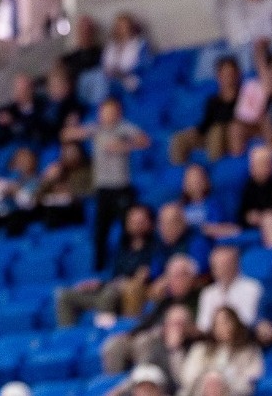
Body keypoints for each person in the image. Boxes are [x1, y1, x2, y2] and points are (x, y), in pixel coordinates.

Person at [63, 96, 149, 272]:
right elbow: (67, 135)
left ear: (117, 113)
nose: (107, 115)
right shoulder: (95, 129)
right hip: (103, 189)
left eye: (111, 111)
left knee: (128, 230)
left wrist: (125, 145)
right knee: (100, 232)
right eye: (104, 111)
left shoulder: (124, 127)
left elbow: (144, 140)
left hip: (121, 188)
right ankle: (99, 269)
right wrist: (72, 125)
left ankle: (130, 265)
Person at [54, 203, 159, 327]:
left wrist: (127, 282)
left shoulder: (156, 248)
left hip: (122, 293)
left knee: (109, 294)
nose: (135, 224)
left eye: (140, 221)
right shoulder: (121, 247)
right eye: (132, 220)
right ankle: (68, 337)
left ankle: (101, 336)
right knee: (63, 294)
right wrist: (99, 283)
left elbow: (149, 274)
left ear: (150, 223)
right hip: (109, 286)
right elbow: (112, 274)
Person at [102, 257, 205, 373]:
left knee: (144, 341)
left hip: (172, 343)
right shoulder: (165, 301)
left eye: (177, 276)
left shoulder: (200, 299)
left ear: (190, 277)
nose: (172, 280)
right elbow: (148, 321)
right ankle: (111, 383)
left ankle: (142, 382)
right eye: (169, 276)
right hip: (150, 336)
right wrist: (129, 334)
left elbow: (198, 328)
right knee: (114, 344)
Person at [170, 57, 250, 165]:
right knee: (179, 138)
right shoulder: (213, 101)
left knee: (216, 131)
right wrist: (195, 130)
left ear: (237, 74)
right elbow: (206, 122)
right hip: (209, 135)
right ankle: (180, 174)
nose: (228, 77)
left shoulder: (244, 96)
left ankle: (215, 169)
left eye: (230, 73)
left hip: (229, 135)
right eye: (224, 74)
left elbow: (244, 119)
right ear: (219, 77)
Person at [180, 306, 262, 396]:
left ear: (235, 323)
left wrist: (224, 384)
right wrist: (210, 380)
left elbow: (252, 380)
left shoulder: (249, 352)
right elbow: (187, 377)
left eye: (226, 322)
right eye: (218, 323)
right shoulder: (200, 350)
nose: (222, 327)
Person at [198, 246, 262, 332]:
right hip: (213, 342)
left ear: (235, 264)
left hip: (242, 340)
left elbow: (249, 321)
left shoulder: (252, 288)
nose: (218, 270)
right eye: (215, 266)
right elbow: (203, 326)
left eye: (223, 265)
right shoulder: (208, 292)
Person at [236, 144, 272, 231]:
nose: (265, 167)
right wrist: (249, 217)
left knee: (270, 219)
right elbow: (242, 216)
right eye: (260, 164)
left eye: (267, 163)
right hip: (257, 227)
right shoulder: (248, 187)